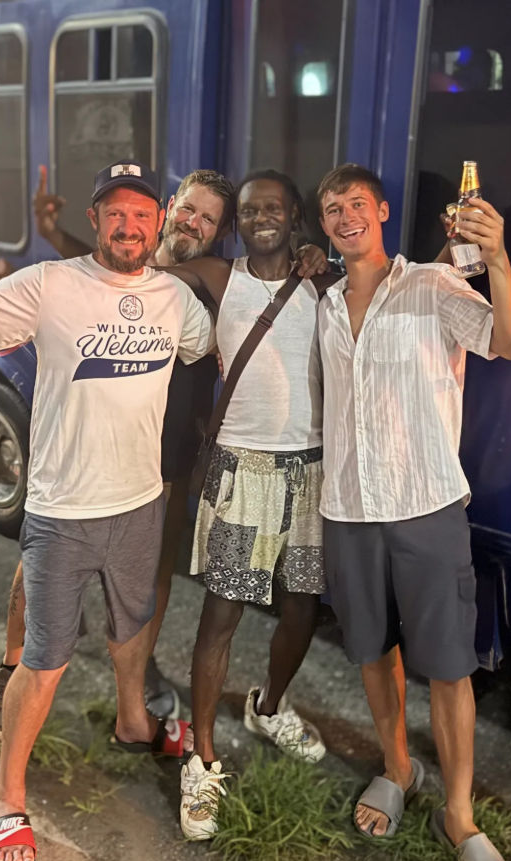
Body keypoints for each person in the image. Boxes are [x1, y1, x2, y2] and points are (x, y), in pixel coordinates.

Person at [0, 160, 218, 861]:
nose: (128, 225)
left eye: (141, 213)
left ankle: (131, 722)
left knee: (132, 629)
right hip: (64, 508)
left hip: (140, 500)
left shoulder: (174, 300)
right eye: (114, 212)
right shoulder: (51, 283)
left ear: (159, 221)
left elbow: (208, 344)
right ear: (94, 220)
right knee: (48, 656)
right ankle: (6, 802)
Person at [316, 163, 511, 859]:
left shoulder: (432, 284)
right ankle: (398, 767)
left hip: (426, 502)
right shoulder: (322, 302)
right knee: (374, 653)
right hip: (348, 505)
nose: (345, 215)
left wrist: (495, 256)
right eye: (330, 208)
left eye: (356, 203)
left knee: (447, 665)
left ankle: (459, 813)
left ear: (381, 211)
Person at [0, 166, 237, 739]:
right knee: (40, 556)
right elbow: (90, 269)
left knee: (149, 573)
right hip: (81, 442)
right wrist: (52, 240)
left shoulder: (200, 275)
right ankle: (13, 662)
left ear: (217, 233)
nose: (195, 222)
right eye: (190, 209)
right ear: (172, 207)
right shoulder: (107, 261)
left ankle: (136, 683)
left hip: (164, 441)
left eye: (210, 219)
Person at [159, 169, 340, 841]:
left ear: (294, 217)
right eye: (250, 209)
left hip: (310, 473)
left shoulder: (320, 279)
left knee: (301, 606)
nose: (262, 216)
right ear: (236, 222)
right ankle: (202, 760)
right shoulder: (215, 274)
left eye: (274, 207)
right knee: (222, 614)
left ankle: (268, 705)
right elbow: (136, 273)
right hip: (242, 472)